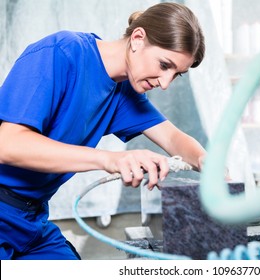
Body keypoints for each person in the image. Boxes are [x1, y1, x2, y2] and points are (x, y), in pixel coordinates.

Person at [0, 2, 206, 260]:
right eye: (165, 65)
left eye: (177, 74)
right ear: (138, 39)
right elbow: (7, 145)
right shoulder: (61, 53)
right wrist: (110, 160)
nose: (165, 84)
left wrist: (208, 162)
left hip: (31, 220)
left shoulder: (123, 93)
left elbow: (174, 138)